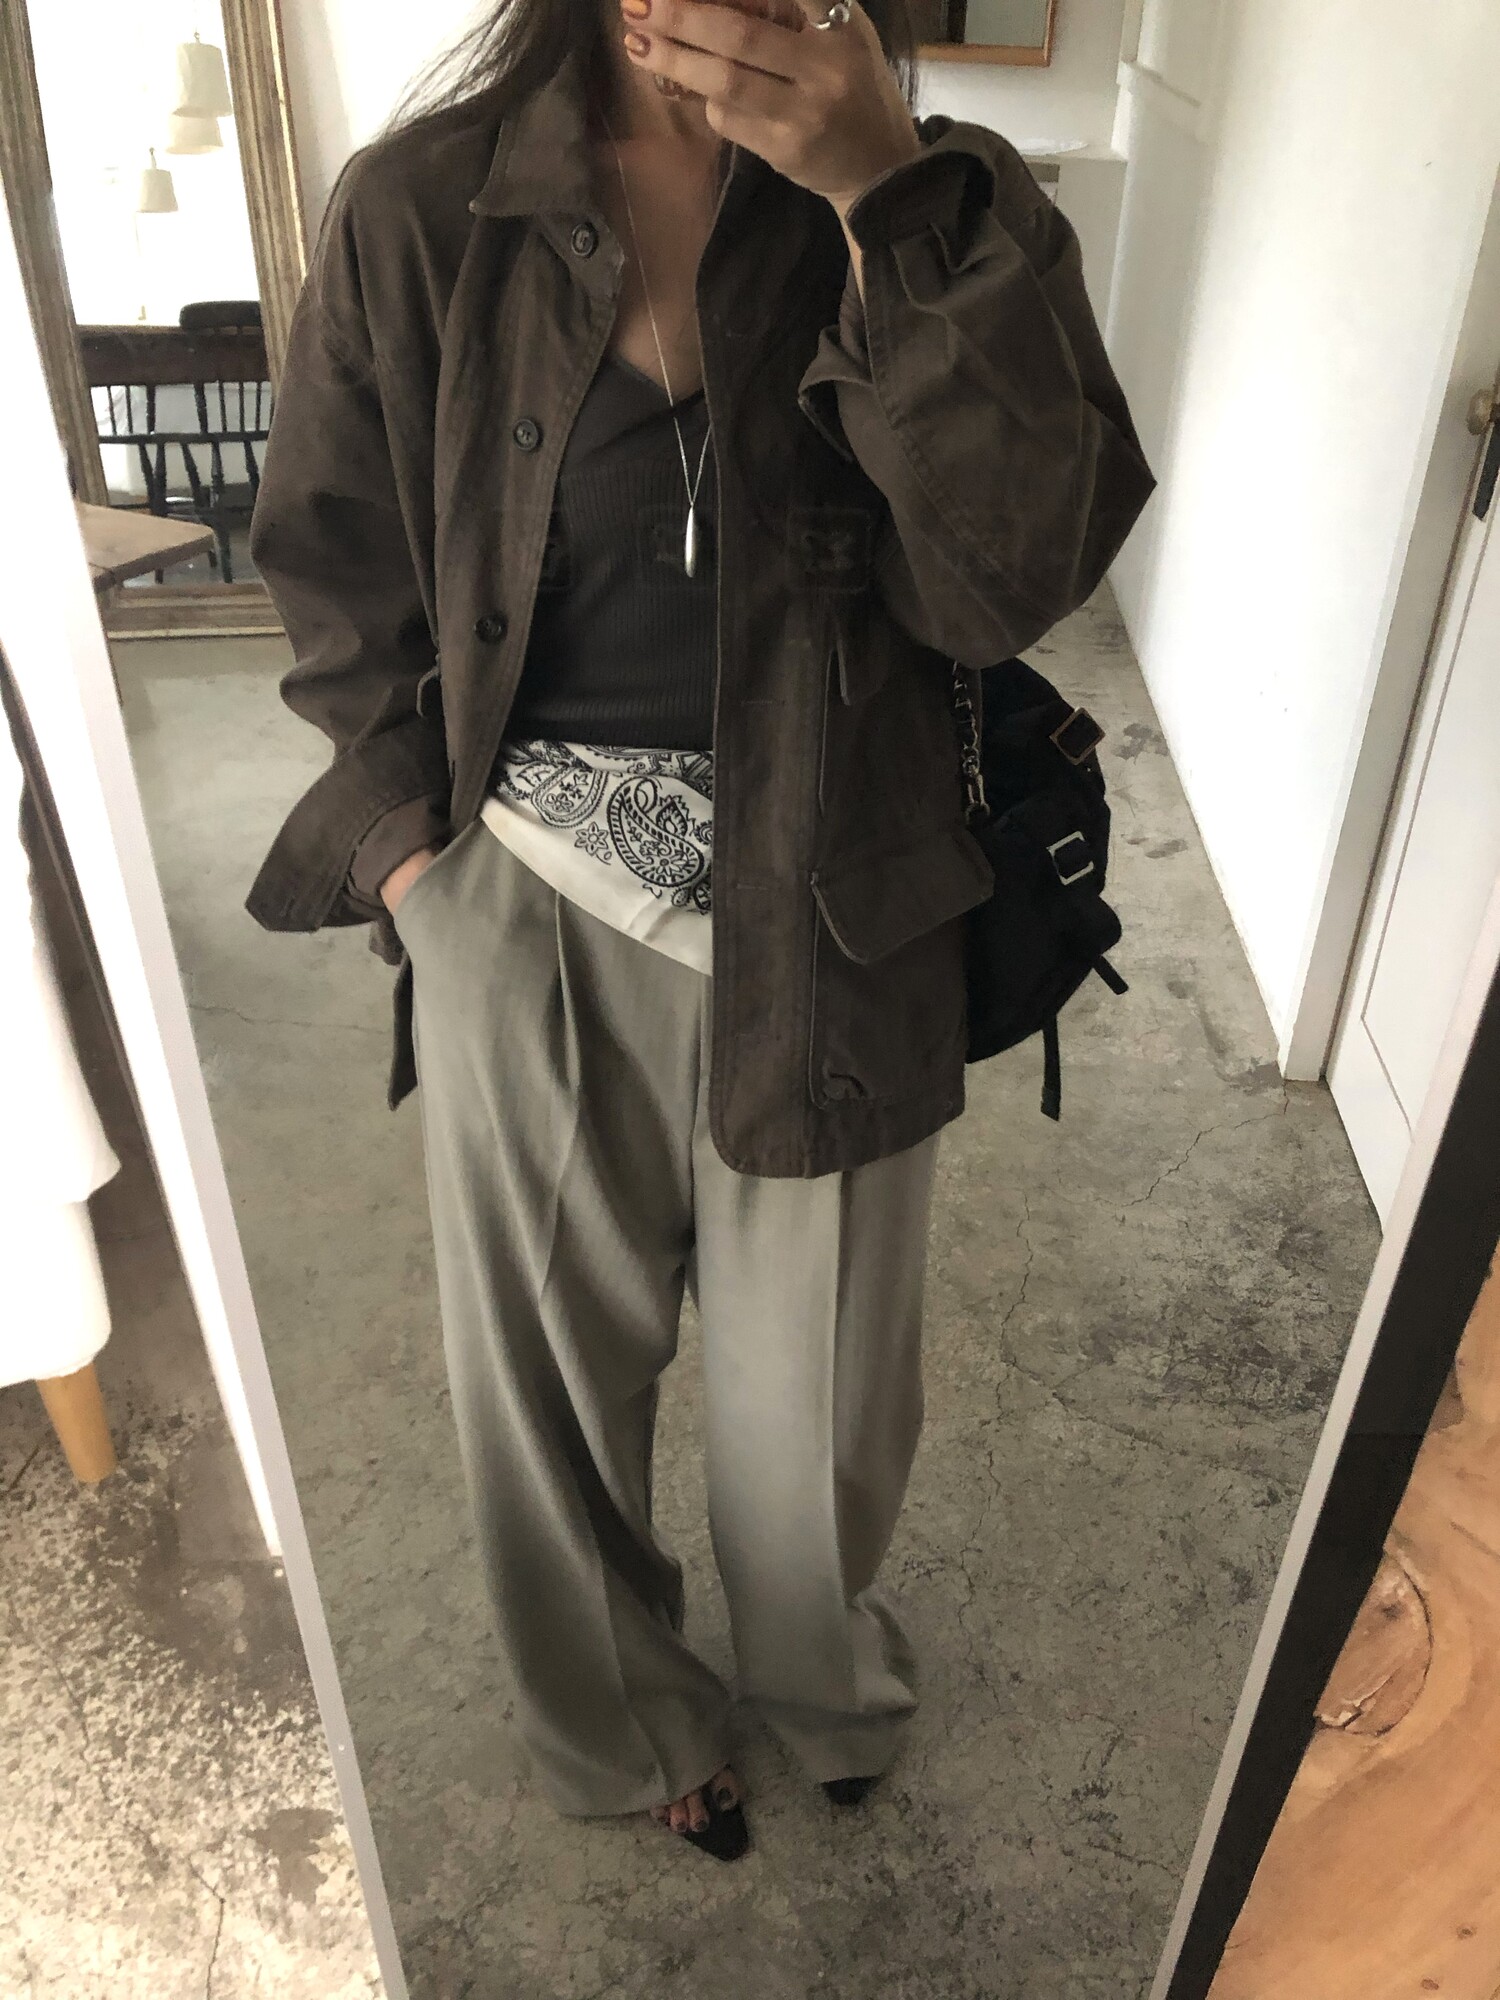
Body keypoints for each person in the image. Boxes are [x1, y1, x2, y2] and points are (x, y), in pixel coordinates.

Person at [246, 0, 1153, 1862]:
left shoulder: (956, 204)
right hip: (526, 895)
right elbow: (337, 566)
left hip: (850, 892)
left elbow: (1006, 582)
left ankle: (821, 1686)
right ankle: (621, 1714)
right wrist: (424, 878)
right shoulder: (426, 204)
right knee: (550, 1386)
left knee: (822, 1407)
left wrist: (883, 201)